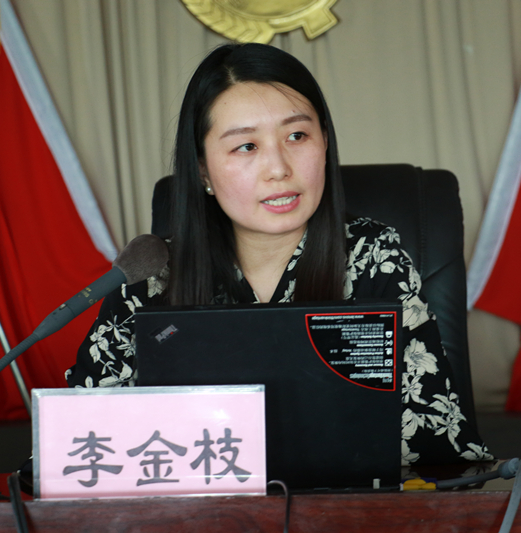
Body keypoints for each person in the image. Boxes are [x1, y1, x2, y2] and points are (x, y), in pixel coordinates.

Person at [66, 43, 491, 466]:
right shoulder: (150, 275)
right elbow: (79, 441)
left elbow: (436, 432)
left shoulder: (374, 257)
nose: (278, 168)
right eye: (246, 146)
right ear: (202, 170)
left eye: (297, 136)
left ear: (325, 142)